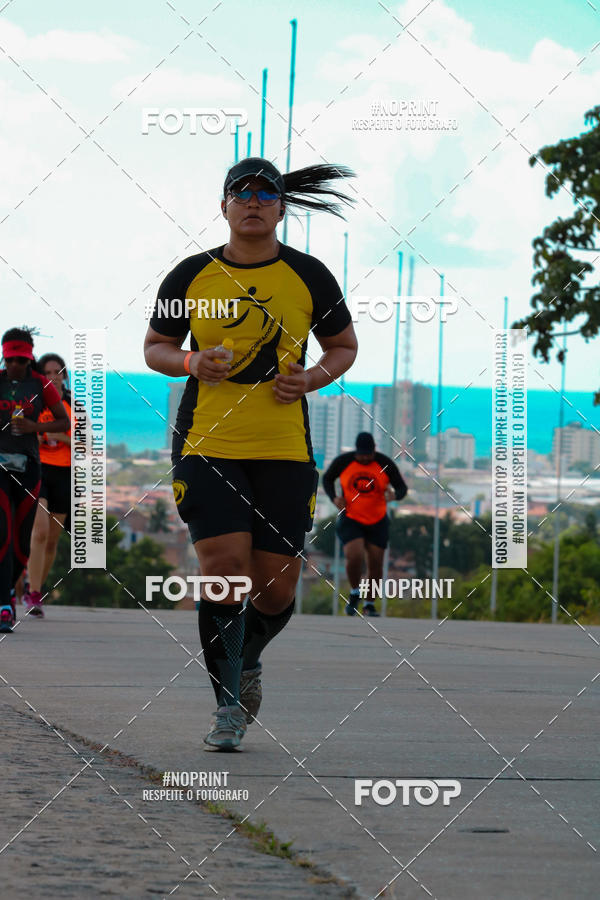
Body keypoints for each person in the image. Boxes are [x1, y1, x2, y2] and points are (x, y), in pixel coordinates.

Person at [144, 157, 358, 751]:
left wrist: (310, 379)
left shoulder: (309, 275)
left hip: (284, 449)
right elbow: (156, 347)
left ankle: (248, 658)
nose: (254, 201)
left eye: (267, 193)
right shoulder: (191, 275)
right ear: (224, 206)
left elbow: (343, 346)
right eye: (242, 192)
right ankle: (228, 706)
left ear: (281, 207)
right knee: (223, 569)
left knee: (275, 589)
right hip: (207, 443)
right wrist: (191, 361)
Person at [0, 328, 69, 632]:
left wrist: (33, 427)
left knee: (23, 544)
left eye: (21, 360)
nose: (15, 365)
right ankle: (4, 605)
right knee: (3, 534)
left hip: (30, 469)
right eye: (10, 360)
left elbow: (64, 421)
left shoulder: (41, 385)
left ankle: (12, 590)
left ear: (30, 358)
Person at [323, 432, 408, 617]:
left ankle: (369, 604)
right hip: (351, 518)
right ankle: (355, 593)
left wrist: (395, 495)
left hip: (377, 520)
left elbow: (402, 488)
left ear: (374, 451)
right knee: (354, 555)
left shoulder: (384, 463)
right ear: (356, 451)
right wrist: (334, 498)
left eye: (368, 455)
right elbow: (327, 479)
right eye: (361, 455)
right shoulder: (343, 461)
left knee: (376, 564)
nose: (365, 458)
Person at [26, 353, 72, 613]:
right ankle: (32, 591)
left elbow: (85, 444)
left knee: (52, 541)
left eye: (58, 372)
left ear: (64, 376)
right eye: (48, 373)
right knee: (40, 531)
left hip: (64, 474)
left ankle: (36, 589)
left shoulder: (73, 406)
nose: (53, 378)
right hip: (38, 470)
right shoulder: (33, 403)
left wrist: (57, 436)